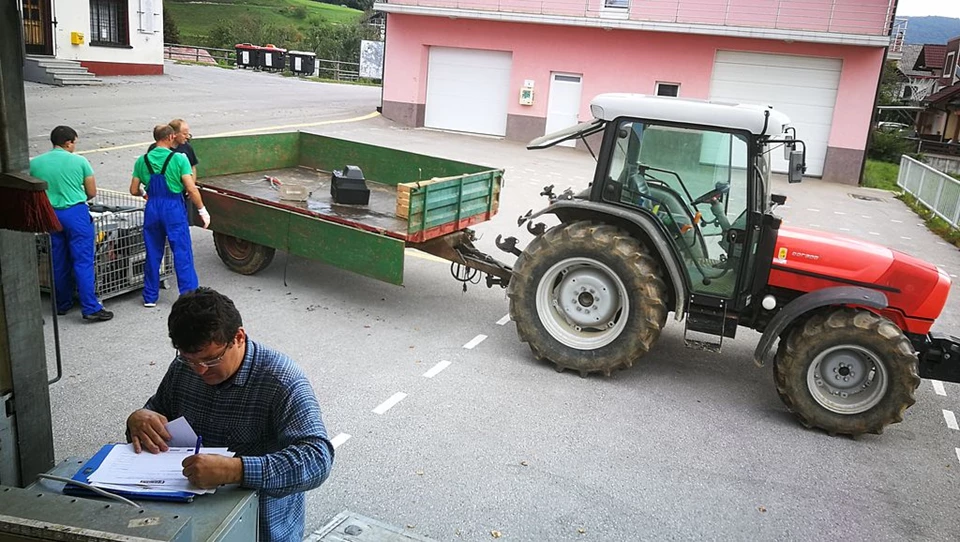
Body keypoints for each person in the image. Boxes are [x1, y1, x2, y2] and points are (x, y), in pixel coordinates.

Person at [126, 287, 334, 541]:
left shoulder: (282, 382)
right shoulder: (184, 368)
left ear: (238, 337)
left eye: (211, 360)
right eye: (190, 360)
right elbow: (158, 412)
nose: (200, 370)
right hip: (185, 521)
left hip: (260, 529)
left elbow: (317, 459)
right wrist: (139, 418)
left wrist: (236, 470)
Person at [29, 126, 113, 322]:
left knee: (58, 260)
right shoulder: (80, 161)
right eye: (74, 142)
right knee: (83, 261)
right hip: (75, 213)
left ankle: (62, 303)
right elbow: (91, 192)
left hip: (50, 215)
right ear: (68, 143)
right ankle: (90, 307)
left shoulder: (36, 163)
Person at [130, 124, 210, 307]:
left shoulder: (142, 160)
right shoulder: (179, 159)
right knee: (182, 252)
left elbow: (134, 189)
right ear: (170, 137)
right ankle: (189, 297)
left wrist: (145, 194)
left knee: (152, 252)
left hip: (152, 208)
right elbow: (191, 189)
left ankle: (150, 297)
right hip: (173, 208)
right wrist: (202, 210)